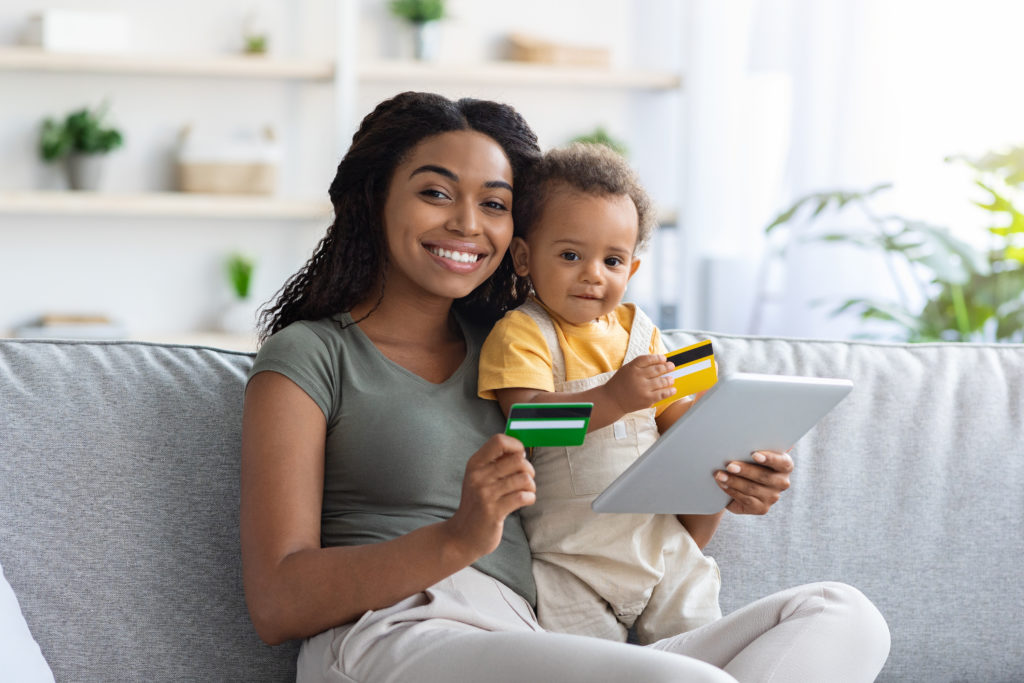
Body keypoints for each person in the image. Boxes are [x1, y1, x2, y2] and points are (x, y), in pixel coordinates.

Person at [241, 90, 891, 683]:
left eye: (494, 202)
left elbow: (637, 517)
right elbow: (276, 602)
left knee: (842, 613)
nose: (469, 222)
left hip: (532, 632)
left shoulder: (529, 342)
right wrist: (458, 538)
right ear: (374, 197)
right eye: (437, 193)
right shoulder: (312, 354)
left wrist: (718, 477)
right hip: (395, 633)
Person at [478, 142, 722, 643]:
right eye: (571, 255)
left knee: (705, 649)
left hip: (661, 548)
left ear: (632, 269)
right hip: (572, 562)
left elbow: (679, 423)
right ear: (524, 257)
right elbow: (527, 424)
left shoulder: (644, 332)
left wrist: (726, 438)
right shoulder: (522, 332)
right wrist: (614, 399)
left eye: (612, 260)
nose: (593, 274)